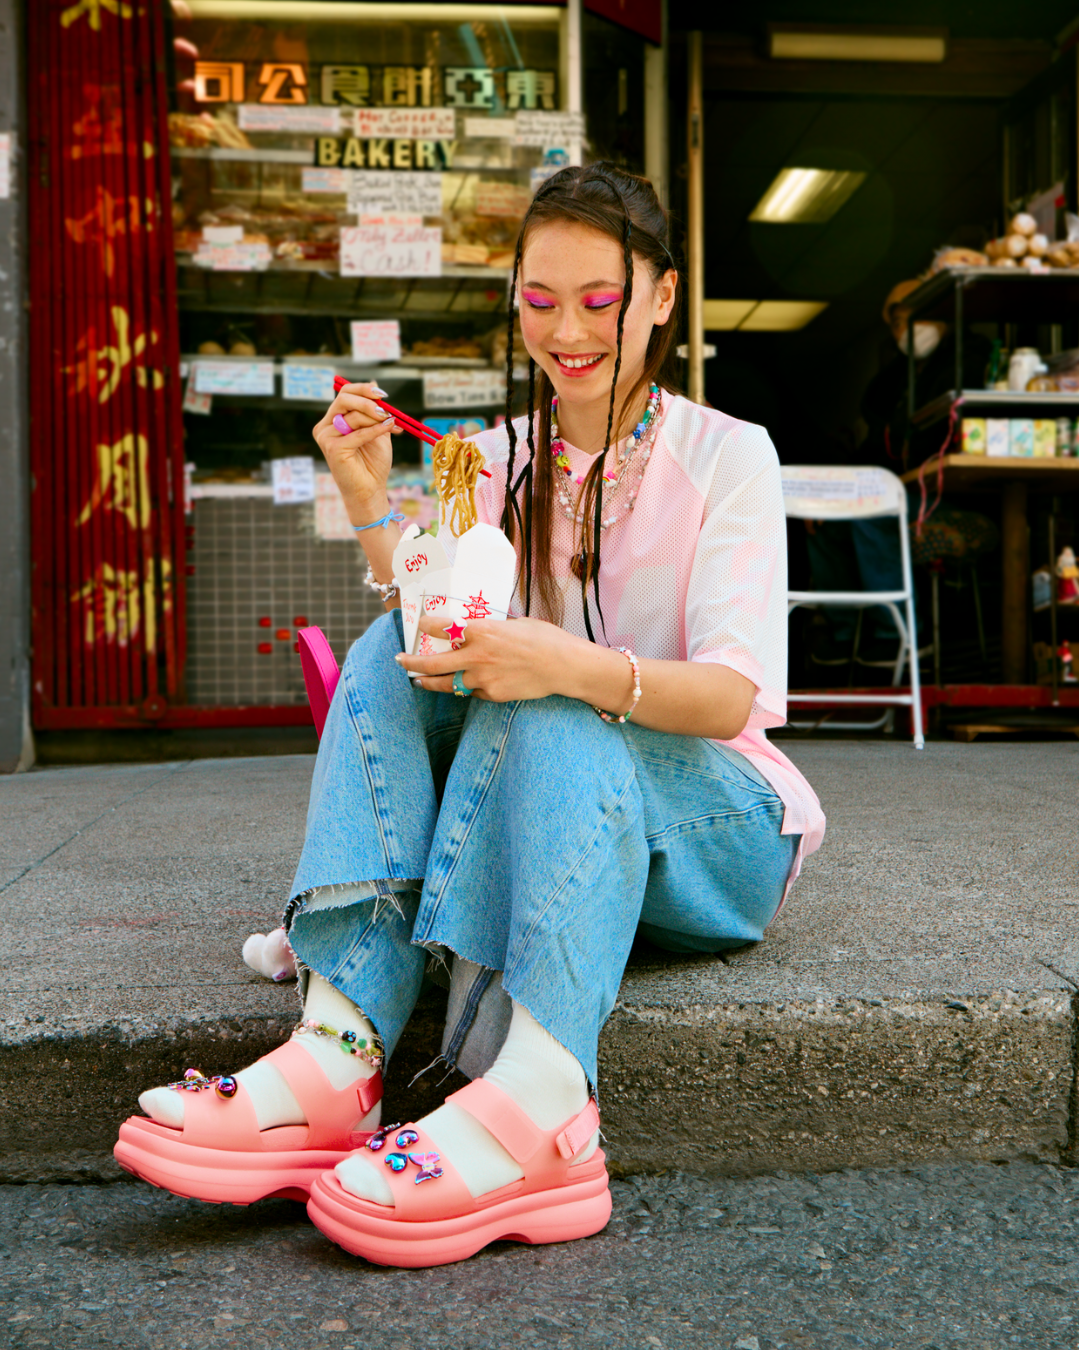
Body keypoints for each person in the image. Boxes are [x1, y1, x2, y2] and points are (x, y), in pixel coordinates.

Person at [114, 164, 825, 1268]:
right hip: (547, 802)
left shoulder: (728, 453)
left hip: (716, 827)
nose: (569, 331)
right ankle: (339, 1052)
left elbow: (731, 696)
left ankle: (543, 1101)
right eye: (540, 301)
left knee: (546, 699)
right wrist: (365, 493)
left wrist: (567, 662)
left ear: (664, 298)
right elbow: (435, 618)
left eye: (601, 300)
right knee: (394, 650)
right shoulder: (492, 458)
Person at [806, 277, 990, 667]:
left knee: (874, 512)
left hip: (955, 494)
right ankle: (848, 633)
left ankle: (902, 635)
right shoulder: (894, 380)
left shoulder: (971, 359)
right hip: (905, 489)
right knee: (824, 521)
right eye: (896, 324)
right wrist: (834, 496)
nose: (906, 331)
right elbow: (875, 449)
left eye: (913, 317)